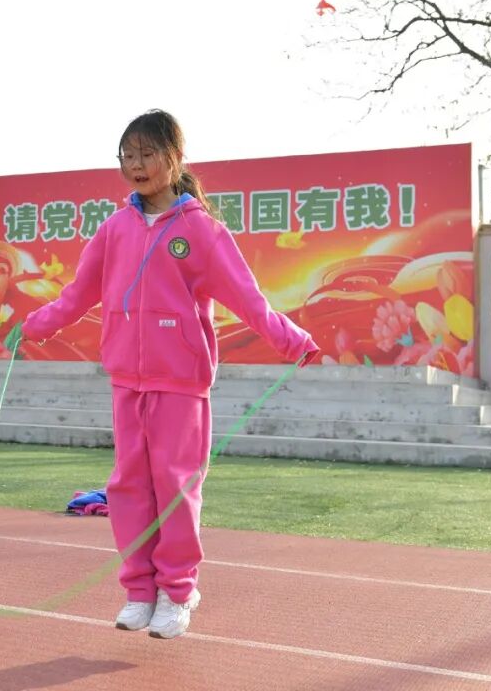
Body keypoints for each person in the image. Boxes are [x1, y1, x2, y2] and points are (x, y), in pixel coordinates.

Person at [22, 110, 320, 639]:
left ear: (175, 158)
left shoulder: (201, 230)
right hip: (126, 379)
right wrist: (35, 325)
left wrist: (291, 339)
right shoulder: (114, 229)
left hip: (181, 381)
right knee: (128, 487)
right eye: (127, 156)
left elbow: (248, 299)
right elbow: (78, 294)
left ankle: (178, 592)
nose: (136, 165)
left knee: (176, 489)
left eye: (147, 154)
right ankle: (140, 590)